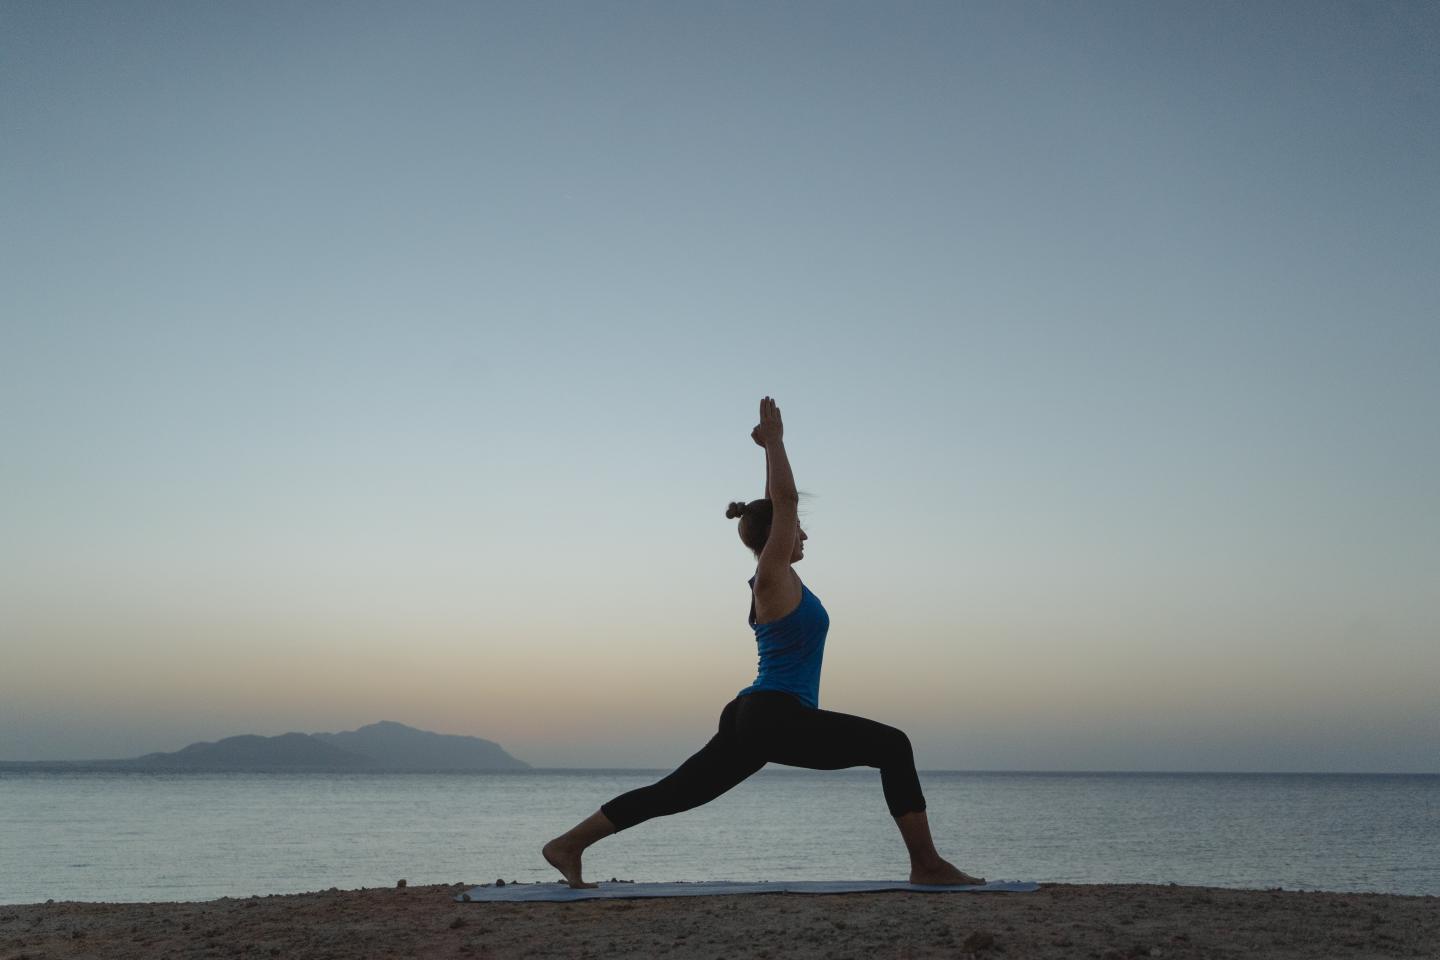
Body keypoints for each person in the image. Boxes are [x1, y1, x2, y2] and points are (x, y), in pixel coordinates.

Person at [542, 397, 985, 888]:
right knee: (893, 746)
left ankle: (567, 845)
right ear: (779, 535)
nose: (805, 537)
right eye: (798, 531)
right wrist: (774, 442)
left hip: (754, 716)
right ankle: (926, 866)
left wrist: (766, 461)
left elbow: (776, 508)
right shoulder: (771, 575)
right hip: (775, 714)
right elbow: (785, 504)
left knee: (676, 792)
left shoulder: (778, 579)